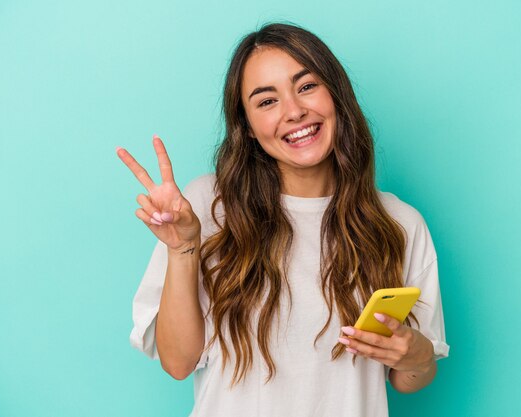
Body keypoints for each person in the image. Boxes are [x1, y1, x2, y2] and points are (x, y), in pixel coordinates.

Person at [116, 22, 449, 417]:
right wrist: (184, 247)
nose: (294, 111)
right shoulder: (207, 205)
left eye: (307, 86)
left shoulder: (398, 222)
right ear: (250, 128)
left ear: (336, 95)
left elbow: (408, 380)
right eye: (266, 101)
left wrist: (416, 356)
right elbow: (178, 362)